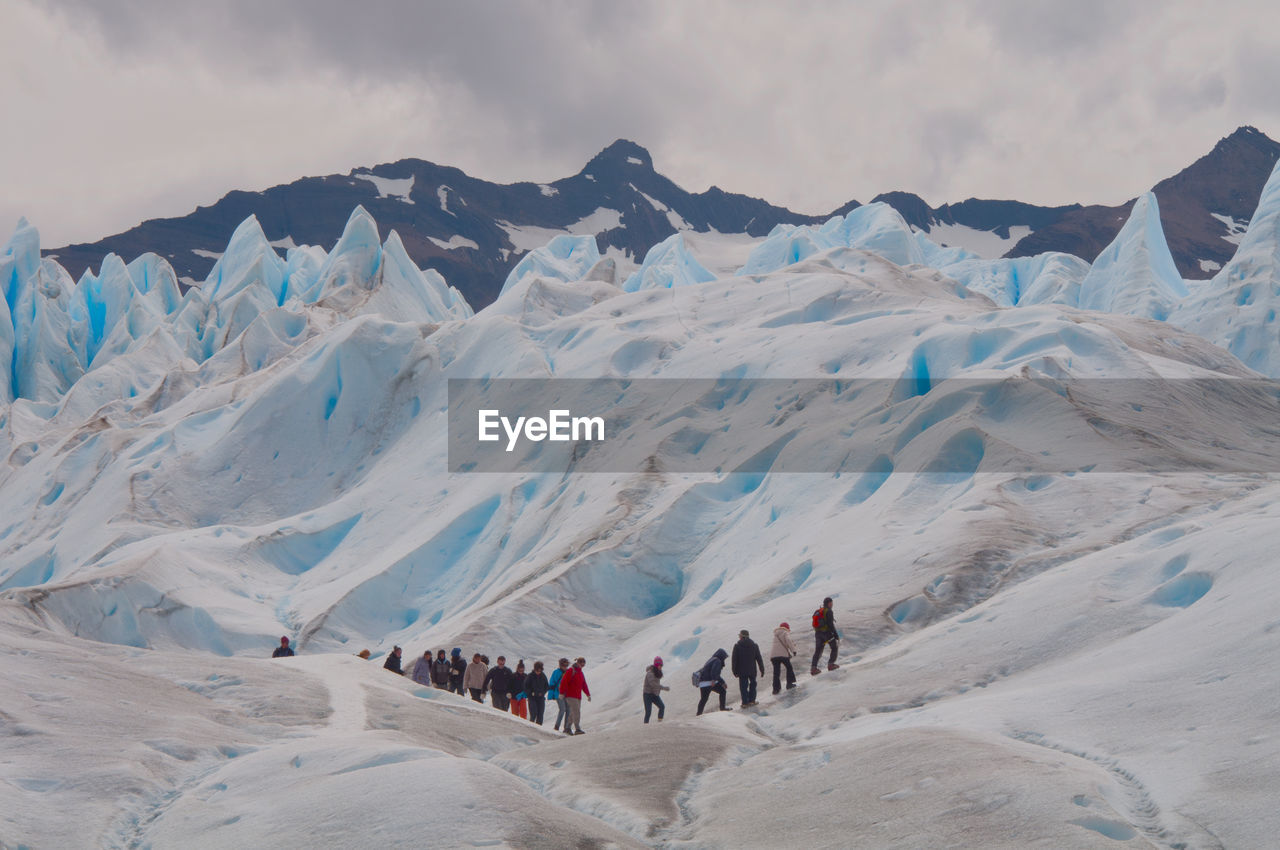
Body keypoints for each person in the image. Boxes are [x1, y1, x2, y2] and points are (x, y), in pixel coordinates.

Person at [731, 630, 765, 707]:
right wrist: (762, 669)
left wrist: (734, 671)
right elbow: (759, 659)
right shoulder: (754, 645)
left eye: (739, 635)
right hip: (752, 670)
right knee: (753, 684)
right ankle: (752, 700)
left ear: (742, 636)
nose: (739, 637)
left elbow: (734, 660)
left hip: (742, 671)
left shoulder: (737, 646)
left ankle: (745, 703)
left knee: (743, 686)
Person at [559, 657, 591, 735]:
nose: (582, 665)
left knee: (573, 712)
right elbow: (564, 681)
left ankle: (567, 728)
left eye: (583, 664)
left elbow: (583, 684)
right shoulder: (571, 670)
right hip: (570, 695)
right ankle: (577, 729)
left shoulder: (580, 672)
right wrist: (562, 693)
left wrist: (588, 694)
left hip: (577, 696)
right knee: (576, 711)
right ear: (577, 663)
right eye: (581, 663)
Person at [696, 649, 732, 715]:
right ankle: (722, 708)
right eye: (724, 657)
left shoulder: (711, 659)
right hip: (709, 682)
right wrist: (718, 681)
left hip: (702, 683)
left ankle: (698, 713)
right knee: (722, 691)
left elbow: (714, 673)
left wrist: (720, 681)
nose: (724, 659)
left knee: (704, 699)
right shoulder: (717, 661)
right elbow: (714, 672)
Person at [811, 597, 839, 675]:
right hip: (827, 633)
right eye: (831, 603)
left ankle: (813, 668)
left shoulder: (819, 611)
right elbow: (830, 624)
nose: (832, 604)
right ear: (829, 603)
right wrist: (835, 634)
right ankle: (831, 664)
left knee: (818, 651)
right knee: (834, 647)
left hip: (818, 634)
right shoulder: (828, 611)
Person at [770, 621, 799, 694]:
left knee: (776, 672)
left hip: (773, 656)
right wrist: (794, 650)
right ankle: (789, 684)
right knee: (789, 668)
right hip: (782, 655)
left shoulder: (775, 634)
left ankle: (776, 689)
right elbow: (788, 641)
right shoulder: (785, 632)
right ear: (787, 628)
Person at [642, 656, 669, 723]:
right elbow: (654, 685)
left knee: (662, 707)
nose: (661, 667)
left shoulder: (658, 672)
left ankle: (660, 721)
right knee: (648, 712)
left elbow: (656, 685)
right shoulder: (650, 673)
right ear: (656, 665)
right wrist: (663, 688)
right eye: (660, 665)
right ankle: (645, 727)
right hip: (647, 695)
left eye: (661, 665)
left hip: (654, 694)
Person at [549, 657, 570, 731]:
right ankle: (557, 726)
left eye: (566, 665)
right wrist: (551, 695)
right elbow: (552, 684)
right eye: (564, 665)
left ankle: (567, 727)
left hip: (566, 694)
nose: (565, 667)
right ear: (560, 665)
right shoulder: (556, 672)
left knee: (568, 709)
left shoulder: (568, 672)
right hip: (558, 694)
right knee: (562, 709)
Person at [525, 661, 549, 725]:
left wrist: (543, 692)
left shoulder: (543, 675)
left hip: (541, 698)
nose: (538, 672)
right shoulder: (530, 676)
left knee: (540, 714)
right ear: (535, 669)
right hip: (532, 698)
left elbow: (546, 686)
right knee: (533, 713)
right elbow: (525, 686)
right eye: (537, 671)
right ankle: (531, 727)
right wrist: (531, 693)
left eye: (540, 671)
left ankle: (539, 728)